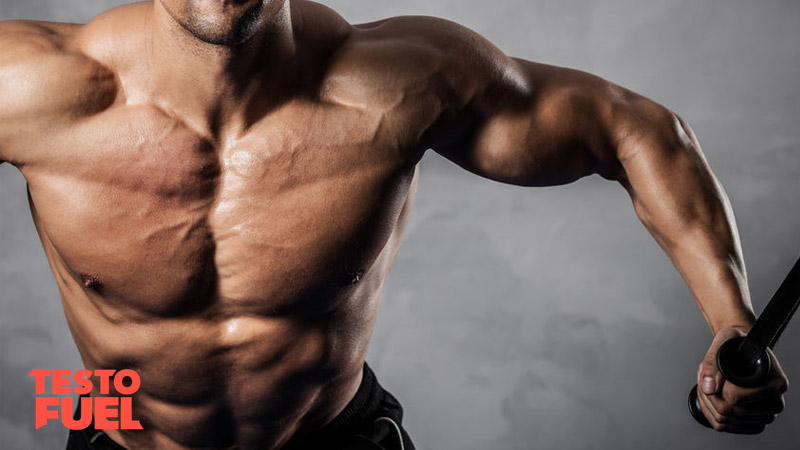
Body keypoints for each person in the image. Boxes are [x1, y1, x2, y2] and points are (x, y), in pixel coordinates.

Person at [0, 1, 789, 449]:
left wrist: (729, 320)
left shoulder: (400, 81)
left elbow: (633, 130)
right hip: (121, 436)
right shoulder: (30, 89)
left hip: (335, 439)